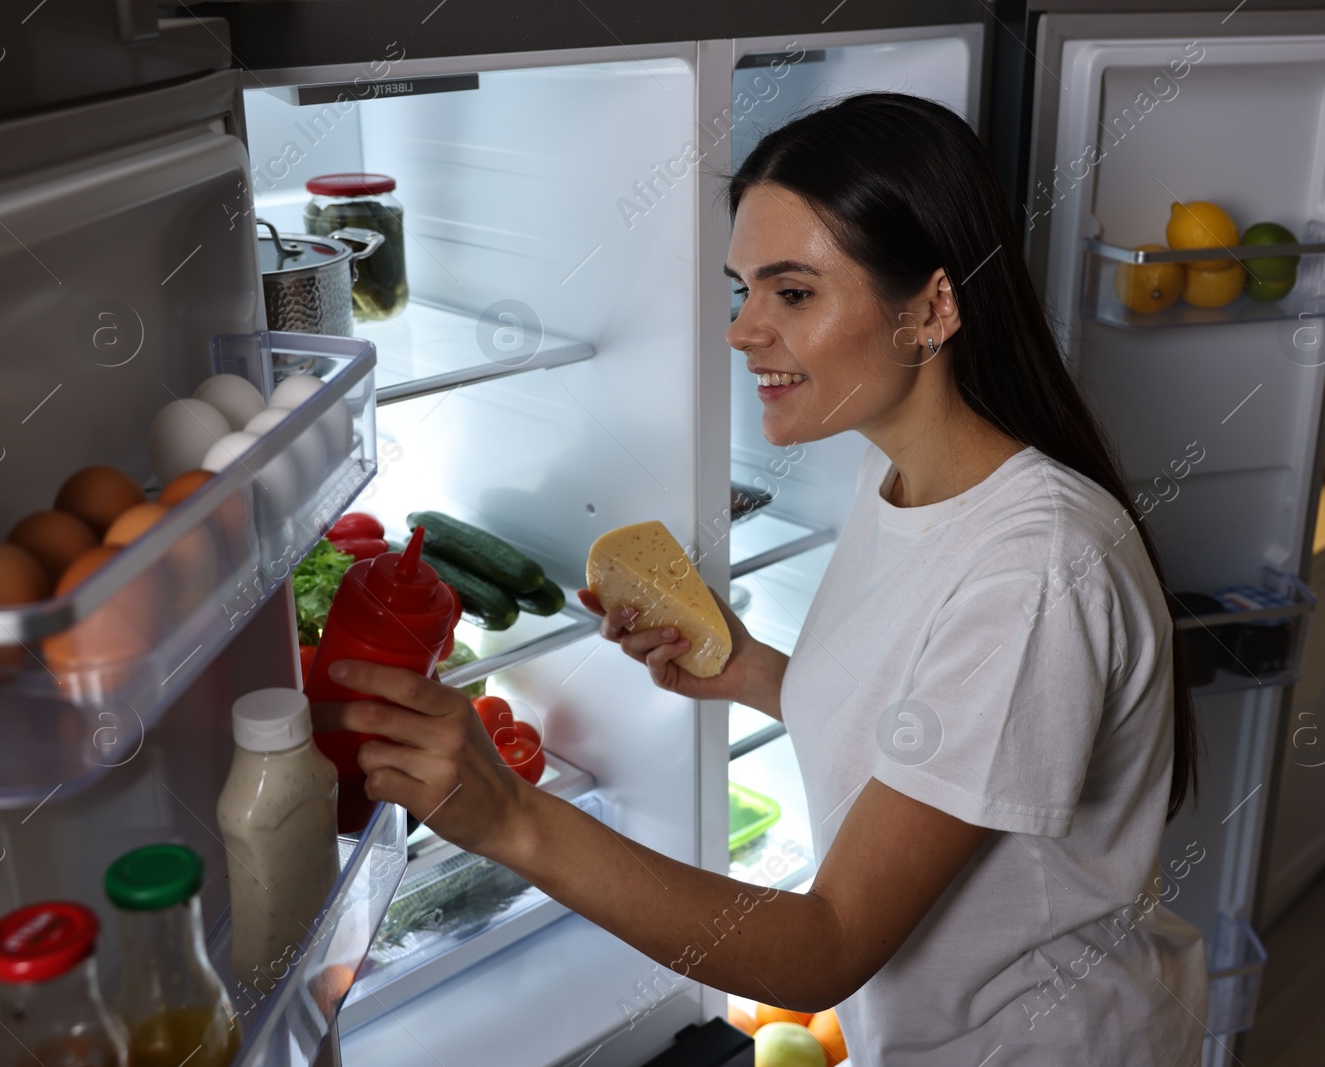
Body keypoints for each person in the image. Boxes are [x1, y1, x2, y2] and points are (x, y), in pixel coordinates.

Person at [314, 92, 1208, 1066]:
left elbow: (824, 947)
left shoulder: (1037, 569)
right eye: (743, 290)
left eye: (792, 292)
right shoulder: (898, 471)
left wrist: (512, 816)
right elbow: (926, 729)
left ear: (931, 308)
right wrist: (750, 670)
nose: (742, 331)